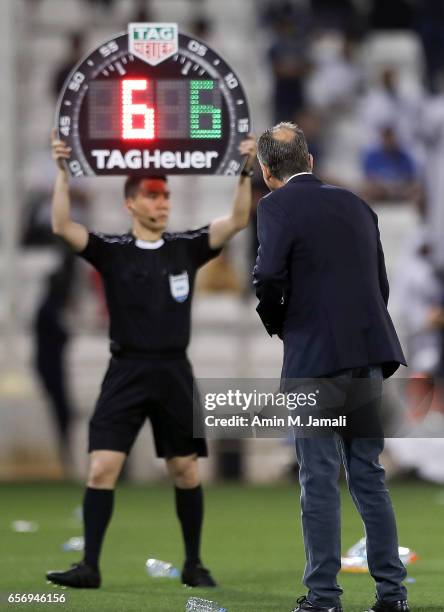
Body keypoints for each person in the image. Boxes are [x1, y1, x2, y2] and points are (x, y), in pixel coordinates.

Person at [46, 129, 257, 589]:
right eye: (153, 195)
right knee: (102, 467)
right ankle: (90, 566)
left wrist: (244, 168)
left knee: (184, 469)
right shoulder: (112, 251)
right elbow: (63, 227)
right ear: (131, 203)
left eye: (166, 195)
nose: (163, 202)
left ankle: (194, 564)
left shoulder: (186, 246)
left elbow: (238, 219)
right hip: (126, 369)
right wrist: (63, 171)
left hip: (173, 372)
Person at [253, 122, 409, 612]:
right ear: (311, 160)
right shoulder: (357, 205)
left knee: (317, 479)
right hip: (364, 356)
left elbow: (269, 275)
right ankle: (391, 595)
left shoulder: (275, 206)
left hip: (315, 361)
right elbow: (379, 285)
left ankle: (324, 596)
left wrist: (279, 324)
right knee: (368, 474)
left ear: (265, 172)